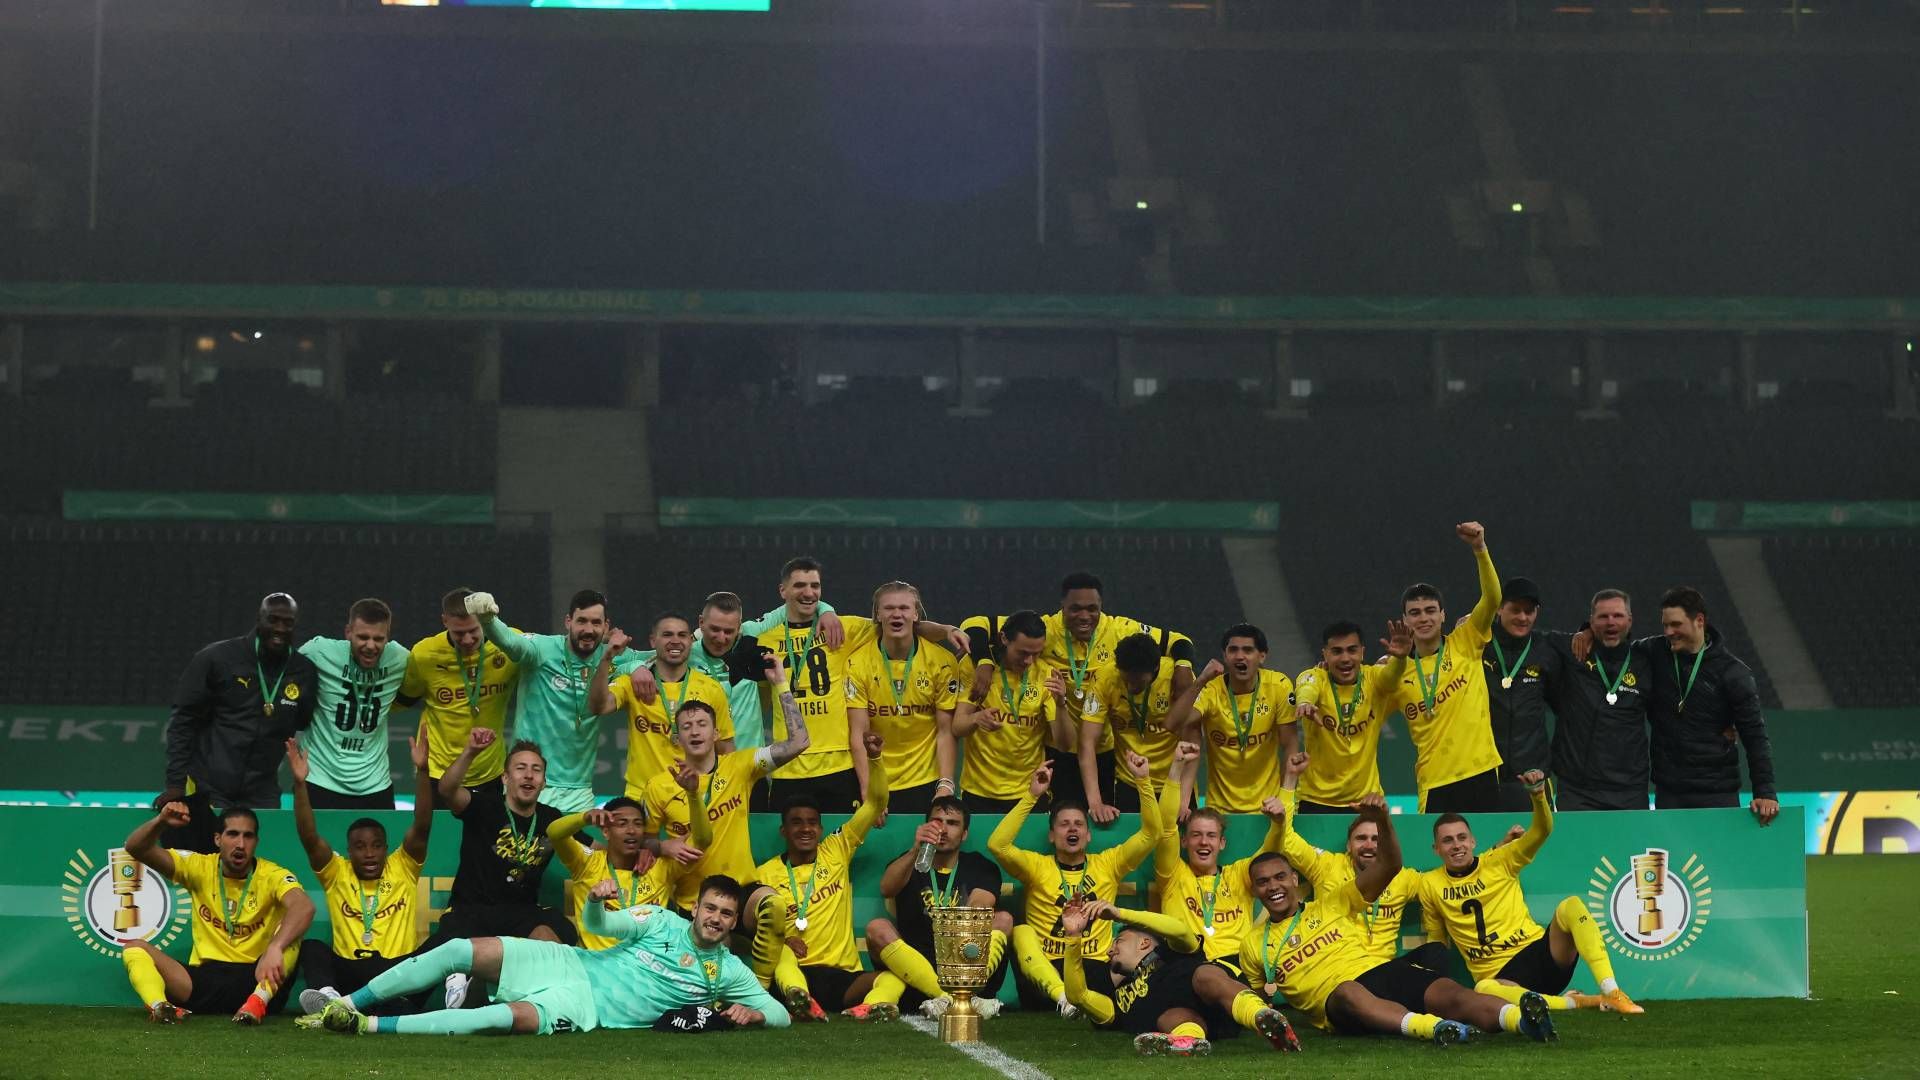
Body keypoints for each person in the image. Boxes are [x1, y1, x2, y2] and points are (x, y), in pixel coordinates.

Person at [1239, 805, 1561, 1046]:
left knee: (1448, 991)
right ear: (1255, 890)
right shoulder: (1253, 944)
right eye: (1263, 882)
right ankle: (1431, 1028)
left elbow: (1391, 864)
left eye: (1280, 877)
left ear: (1295, 879)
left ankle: (1524, 1020)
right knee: (1349, 991)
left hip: (1379, 970)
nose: (1273, 886)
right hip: (1337, 1002)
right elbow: (1258, 998)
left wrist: (1383, 816)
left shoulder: (1332, 902)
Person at [307, 876, 790, 1035]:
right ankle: (348, 1002)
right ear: (697, 907)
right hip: (573, 963)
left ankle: (366, 1026)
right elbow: (600, 927)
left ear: (733, 924)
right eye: (710, 908)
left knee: (496, 1018)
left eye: (727, 915)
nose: (716, 919)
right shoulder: (661, 921)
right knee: (457, 949)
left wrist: (755, 1014)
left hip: (584, 1009)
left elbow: (779, 1015)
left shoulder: (729, 970)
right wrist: (598, 902)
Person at [1416, 769, 1644, 1014]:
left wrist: (1537, 796)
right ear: (1436, 849)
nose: (1457, 845)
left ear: (1473, 842)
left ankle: (1612, 991)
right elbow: (1437, 940)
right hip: (1501, 979)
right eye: (1448, 840)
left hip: (1541, 955)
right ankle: (1581, 1002)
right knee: (1483, 988)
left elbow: (1541, 831)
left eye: (1462, 837)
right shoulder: (1430, 884)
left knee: (1572, 905)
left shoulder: (1500, 859)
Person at [965, 572, 1194, 809]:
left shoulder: (1119, 629)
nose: (1084, 616)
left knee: (1100, 822)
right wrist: (984, 661)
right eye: (1075, 609)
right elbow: (974, 624)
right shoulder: (1046, 629)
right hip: (1057, 748)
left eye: (1092, 609)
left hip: (1101, 749)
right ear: (1062, 606)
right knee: (1061, 823)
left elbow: (1179, 641)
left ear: (1101, 607)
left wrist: (1183, 667)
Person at [750, 558, 957, 813]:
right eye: (799, 585)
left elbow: (904, 626)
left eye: (815, 585)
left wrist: (947, 630)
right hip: (788, 766)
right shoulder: (762, 642)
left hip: (840, 766)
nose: (808, 592)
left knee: (846, 847)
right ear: (783, 590)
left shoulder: (846, 628)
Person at [989, 755, 1161, 1016]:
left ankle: (1071, 1000)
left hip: (1093, 969)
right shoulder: (1037, 866)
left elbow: (1151, 834)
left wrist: (1143, 782)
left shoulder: (1108, 863)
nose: (1073, 829)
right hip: (1044, 972)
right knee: (1022, 932)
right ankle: (1064, 999)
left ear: (1088, 835)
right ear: (1051, 835)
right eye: (1064, 824)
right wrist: (1032, 796)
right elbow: (997, 845)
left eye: (1079, 824)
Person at [120, 802, 313, 1024]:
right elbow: (135, 847)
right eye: (232, 834)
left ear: (256, 842)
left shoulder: (273, 875)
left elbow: (304, 906)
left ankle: (256, 1004)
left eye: (248, 836)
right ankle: (161, 1007)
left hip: (256, 979)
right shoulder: (198, 867)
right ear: (217, 839)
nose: (240, 844)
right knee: (133, 948)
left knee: (292, 932)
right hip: (203, 982)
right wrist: (161, 822)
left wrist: (275, 947)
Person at [286, 730, 434, 1017]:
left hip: (397, 969)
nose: (369, 853)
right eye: (360, 847)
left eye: (377, 846)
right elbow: (309, 836)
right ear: (349, 850)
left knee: (440, 949)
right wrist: (300, 784)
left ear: (386, 849)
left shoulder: (402, 865)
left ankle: (399, 1002)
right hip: (350, 973)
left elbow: (423, 824)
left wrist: (423, 771)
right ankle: (330, 999)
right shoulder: (336, 871)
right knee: (312, 947)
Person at [432, 728, 577, 1014]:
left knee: (557, 934)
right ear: (505, 778)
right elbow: (447, 790)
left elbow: (594, 848)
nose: (528, 775)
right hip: (472, 910)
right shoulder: (485, 806)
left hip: (519, 912)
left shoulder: (551, 819)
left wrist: (653, 847)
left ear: (544, 782)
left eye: (536, 770)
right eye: (520, 768)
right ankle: (462, 979)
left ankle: (555, 1003)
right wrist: (470, 752)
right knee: (452, 935)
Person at [160, 592, 319, 851]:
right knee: (203, 867)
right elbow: (182, 722)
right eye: (273, 620)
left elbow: (302, 720)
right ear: (259, 618)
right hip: (208, 787)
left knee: (258, 870)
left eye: (287, 622)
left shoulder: (303, 671)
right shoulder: (217, 659)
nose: (279, 628)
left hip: (263, 793)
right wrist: (176, 783)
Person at [465, 587, 640, 813]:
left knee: (583, 849)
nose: (588, 629)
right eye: (582, 621)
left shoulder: (612, 655)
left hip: (579, 792)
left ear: (606, 626)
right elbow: (511, 642)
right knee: (519, 848)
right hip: (529, 783)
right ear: (568, 622)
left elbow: (659, 658)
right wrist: (488, 620)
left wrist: (637, 667)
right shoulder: (542, 649)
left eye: (596, 623)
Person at [1059, 897, 1298, 1058]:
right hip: (1199, 1024)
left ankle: (1261, 1017)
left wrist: (1121, 914)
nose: (1110, 950)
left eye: (1118, 941)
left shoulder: (1170, 952)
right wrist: (1072, 935)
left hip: (1219, 999)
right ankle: (1189, 1043)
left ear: (1143, 942)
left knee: (1204, 974)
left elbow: (1180, 930)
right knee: (1169, 1016)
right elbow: (1078, 996)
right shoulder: (1116, 1000)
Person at [758, 733, 891, 1022]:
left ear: (820, 830)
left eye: (811, 823)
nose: (805, 829)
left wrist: (875, 759)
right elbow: (752, 930)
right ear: (783, 831)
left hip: (843, 975)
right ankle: (801, 999)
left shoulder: (837, 849)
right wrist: (782, 939)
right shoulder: (765, 874)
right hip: (793, 972)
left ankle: (871, 1007)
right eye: (796, 823)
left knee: (890, 980)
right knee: (780, 954)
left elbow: (876, 802)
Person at [847, 795, 1012, 1022]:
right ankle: (948, 999)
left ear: (964, 834)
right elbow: (887, 888)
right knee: (877, 927)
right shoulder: (909, 863)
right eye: (937, 822)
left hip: (965, 964)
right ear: (925, 826)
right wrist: (916, 850)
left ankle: (964, 994)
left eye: (952, 823)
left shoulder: (979, 866)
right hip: (916, 969)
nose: (943, 829)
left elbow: (980, 906)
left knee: (1003, 919)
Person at [1379, 521, 1507, 812]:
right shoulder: (1395, 670)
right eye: (1414, 613)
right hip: (1434, 782)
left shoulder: (1466, 641)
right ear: (1405, 620)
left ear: (1442, 615)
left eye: (1429, 611)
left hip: (1481, 771)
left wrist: (1480, 549)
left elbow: (1493, 599)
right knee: (1436, 859)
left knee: (1486, 855)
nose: (1423, 618)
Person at [1641, 586, 1777, 822]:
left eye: (1676, 624)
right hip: (1669, 794)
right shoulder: (1654, 652)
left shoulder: (1733, 673)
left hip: (1718, 793)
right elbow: (1616, 649)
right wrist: (1587, 633)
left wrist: (1764, 791)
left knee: (1719, 860)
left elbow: (1755, 736)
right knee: (1672, 860)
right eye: (1665, 625)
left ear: (1699, 620)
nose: (1668, 632)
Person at [1277, 752, 1423, 965]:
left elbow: (1442, 885)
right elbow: (1286, 840)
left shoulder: (1404, 878)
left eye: (1376, 838)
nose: (1369, 845)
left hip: (1383, 969)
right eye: (1361, 838)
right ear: (1348, 845)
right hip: (1338, 968)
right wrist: (1290, 779)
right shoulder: (1326, 866)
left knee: (1434, 953)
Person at [1151, 742, 1288, 964]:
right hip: (1187, 964)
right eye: (1196, 835)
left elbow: (1269, 857)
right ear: (1184, 841)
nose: (1204, 842)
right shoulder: (1173, 875)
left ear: (1222, 843)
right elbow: (1166, 826)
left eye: (1211, 836)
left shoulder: (1239, 875)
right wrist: (1176, 766)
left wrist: (1279, 823)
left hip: (1235, 965)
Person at [845, 581, 964, 819]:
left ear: (916, 614)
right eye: (888, 608)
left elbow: (945, 731)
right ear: (877, 614)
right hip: (878, 778)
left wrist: (946, 784)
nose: (896, 614)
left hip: (924, 781)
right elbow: (859, 733)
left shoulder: (941, 661)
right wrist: (870, 789)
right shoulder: (857, 662)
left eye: (904, 608)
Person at [589, 614, 734, 799]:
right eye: (667, 634)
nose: (675, 641)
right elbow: (598, 706)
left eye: (682, 635)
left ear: (690, 642)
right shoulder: (632, 683)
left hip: (692, 796)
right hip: (641, 796)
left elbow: (726, 749)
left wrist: (723, 794)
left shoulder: (711, 689)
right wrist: (607, 657)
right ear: (652, 641)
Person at [398, 587, 518, 808]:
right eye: (459, 633)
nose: (467, 639)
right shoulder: (425, 654)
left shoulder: (509, 644)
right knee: (434, 841)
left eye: (473, 630)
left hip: (490, 773)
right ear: (445, 621)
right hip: (438, 772)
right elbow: (403, 700)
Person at [550, 788, 709, 949]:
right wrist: (584, 818)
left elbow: (702, 840)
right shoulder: (586, 864)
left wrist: (693, 795)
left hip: (647, 966)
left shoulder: (660, 868)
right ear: (606, 831)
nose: (631, 831)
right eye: (622, 823)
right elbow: (554, 833)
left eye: (638, 824)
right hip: (598, 966)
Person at [1165, 623, 1296, 815]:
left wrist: (1283, 799)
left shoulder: (1279, 686)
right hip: (1219, 810)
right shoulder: (1211, 690)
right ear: (1225, 656)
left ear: (1262, 656)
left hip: (1268, 808)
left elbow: (1290, 745)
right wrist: (1200, 681)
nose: (1240, 656)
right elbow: (1172, 724)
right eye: (1233, 650)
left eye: (1248, 650)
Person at [1541, 588, 1653, 810]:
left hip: (1630, 790)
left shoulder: (1647, 659)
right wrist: (1477, 626)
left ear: (1630, 621)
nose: (1610, 622)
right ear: (1591, 621)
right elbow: (1527, 640)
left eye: (1618, 616)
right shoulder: (1572, 652)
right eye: (1603, 617)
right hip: (1578, 791)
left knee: (1630, 846)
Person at [297, 598, 412, 810]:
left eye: (379, 638)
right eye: (363, 637)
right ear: (348, 632)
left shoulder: (401, 659)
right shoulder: (318, 651)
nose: (370, 646)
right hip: (320, 779)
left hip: (376, 784)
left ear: (388, 636)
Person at [953, 610, 1072, 814]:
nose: (1028, 661)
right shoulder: (974, 669)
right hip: (978, 792)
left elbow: (1065, 744)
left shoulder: (1046, 675)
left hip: (1030, 792)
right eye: (1023, 653)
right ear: (1004, 639)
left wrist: (1061, 704)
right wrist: (976, 719)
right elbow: (957, 727)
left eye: (1036, 654)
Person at [1289, 620, 1410, 813]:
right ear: (1325, 654)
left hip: (1366, 800)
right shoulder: (1315, 677)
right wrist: (1305, 703)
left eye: (1352, 650)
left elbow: (1391, 677)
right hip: (1315, 800)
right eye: (1336, 651)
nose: (1345, 658)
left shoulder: (1374, 678)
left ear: (1362, 652)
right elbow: (1306, 686)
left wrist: (1401, 659)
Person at [1079, 634, 1182, 821]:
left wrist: (1185, 797)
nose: (1130, 687)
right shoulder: (1105, 677)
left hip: (1174, 782)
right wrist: (1095, 802)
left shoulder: (1177, 677)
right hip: (1129, 782)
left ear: (1156, 668)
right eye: (1126, 680)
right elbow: (1087, 741)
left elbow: (1192, 737)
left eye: (1138, 682)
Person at [1482, 578, 1559, 812]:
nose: (1523, 618)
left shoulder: (1546, 649)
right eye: (1515, 610)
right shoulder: (1478, 643)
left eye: (1529, 611)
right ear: (1499, 608)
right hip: (1484, 773)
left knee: (1541, 845)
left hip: (1532, 776)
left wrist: (1585, 630)